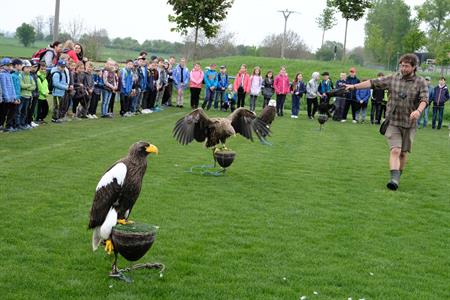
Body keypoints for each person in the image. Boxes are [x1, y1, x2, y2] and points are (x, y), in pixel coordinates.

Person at [345, 53, 429, 190]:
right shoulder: (392, 78)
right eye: (402, 65)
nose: (403, 68)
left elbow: (424, 99)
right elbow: (373, 83)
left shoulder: (421, 82)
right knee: (395, 150)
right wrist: (354, 87)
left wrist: (418, 111)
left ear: (414, 67)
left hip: (409, 123)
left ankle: (397, 175)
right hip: (393, 121)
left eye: (406, 66)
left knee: (403, 153)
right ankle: (394, 180)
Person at [0, 58, 19, 132]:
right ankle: (1, 125)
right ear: (2, 66)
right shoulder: (1, 75)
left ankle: (6, 126)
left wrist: (14, 97)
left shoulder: (9, 74)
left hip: (11, 98)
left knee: (9, 112)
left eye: (10, 65)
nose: (9, 67)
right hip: (5, 98)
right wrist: (7, 98)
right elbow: (4, 87)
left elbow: (12, 87)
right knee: (2, 113)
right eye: (8, 65)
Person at [17, 60, 36, 129]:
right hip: (22, 96)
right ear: (23, 68)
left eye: (29, 67)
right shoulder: (20, 75)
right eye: (27, 67)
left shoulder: (30, 76)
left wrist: (27, 87)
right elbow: (22, 85)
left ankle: (23, 123)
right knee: (19, 111)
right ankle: (18, 124)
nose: (28, 69)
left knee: (25, 112)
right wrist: (29, 86)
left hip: (28, 96)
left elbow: (34, 87)